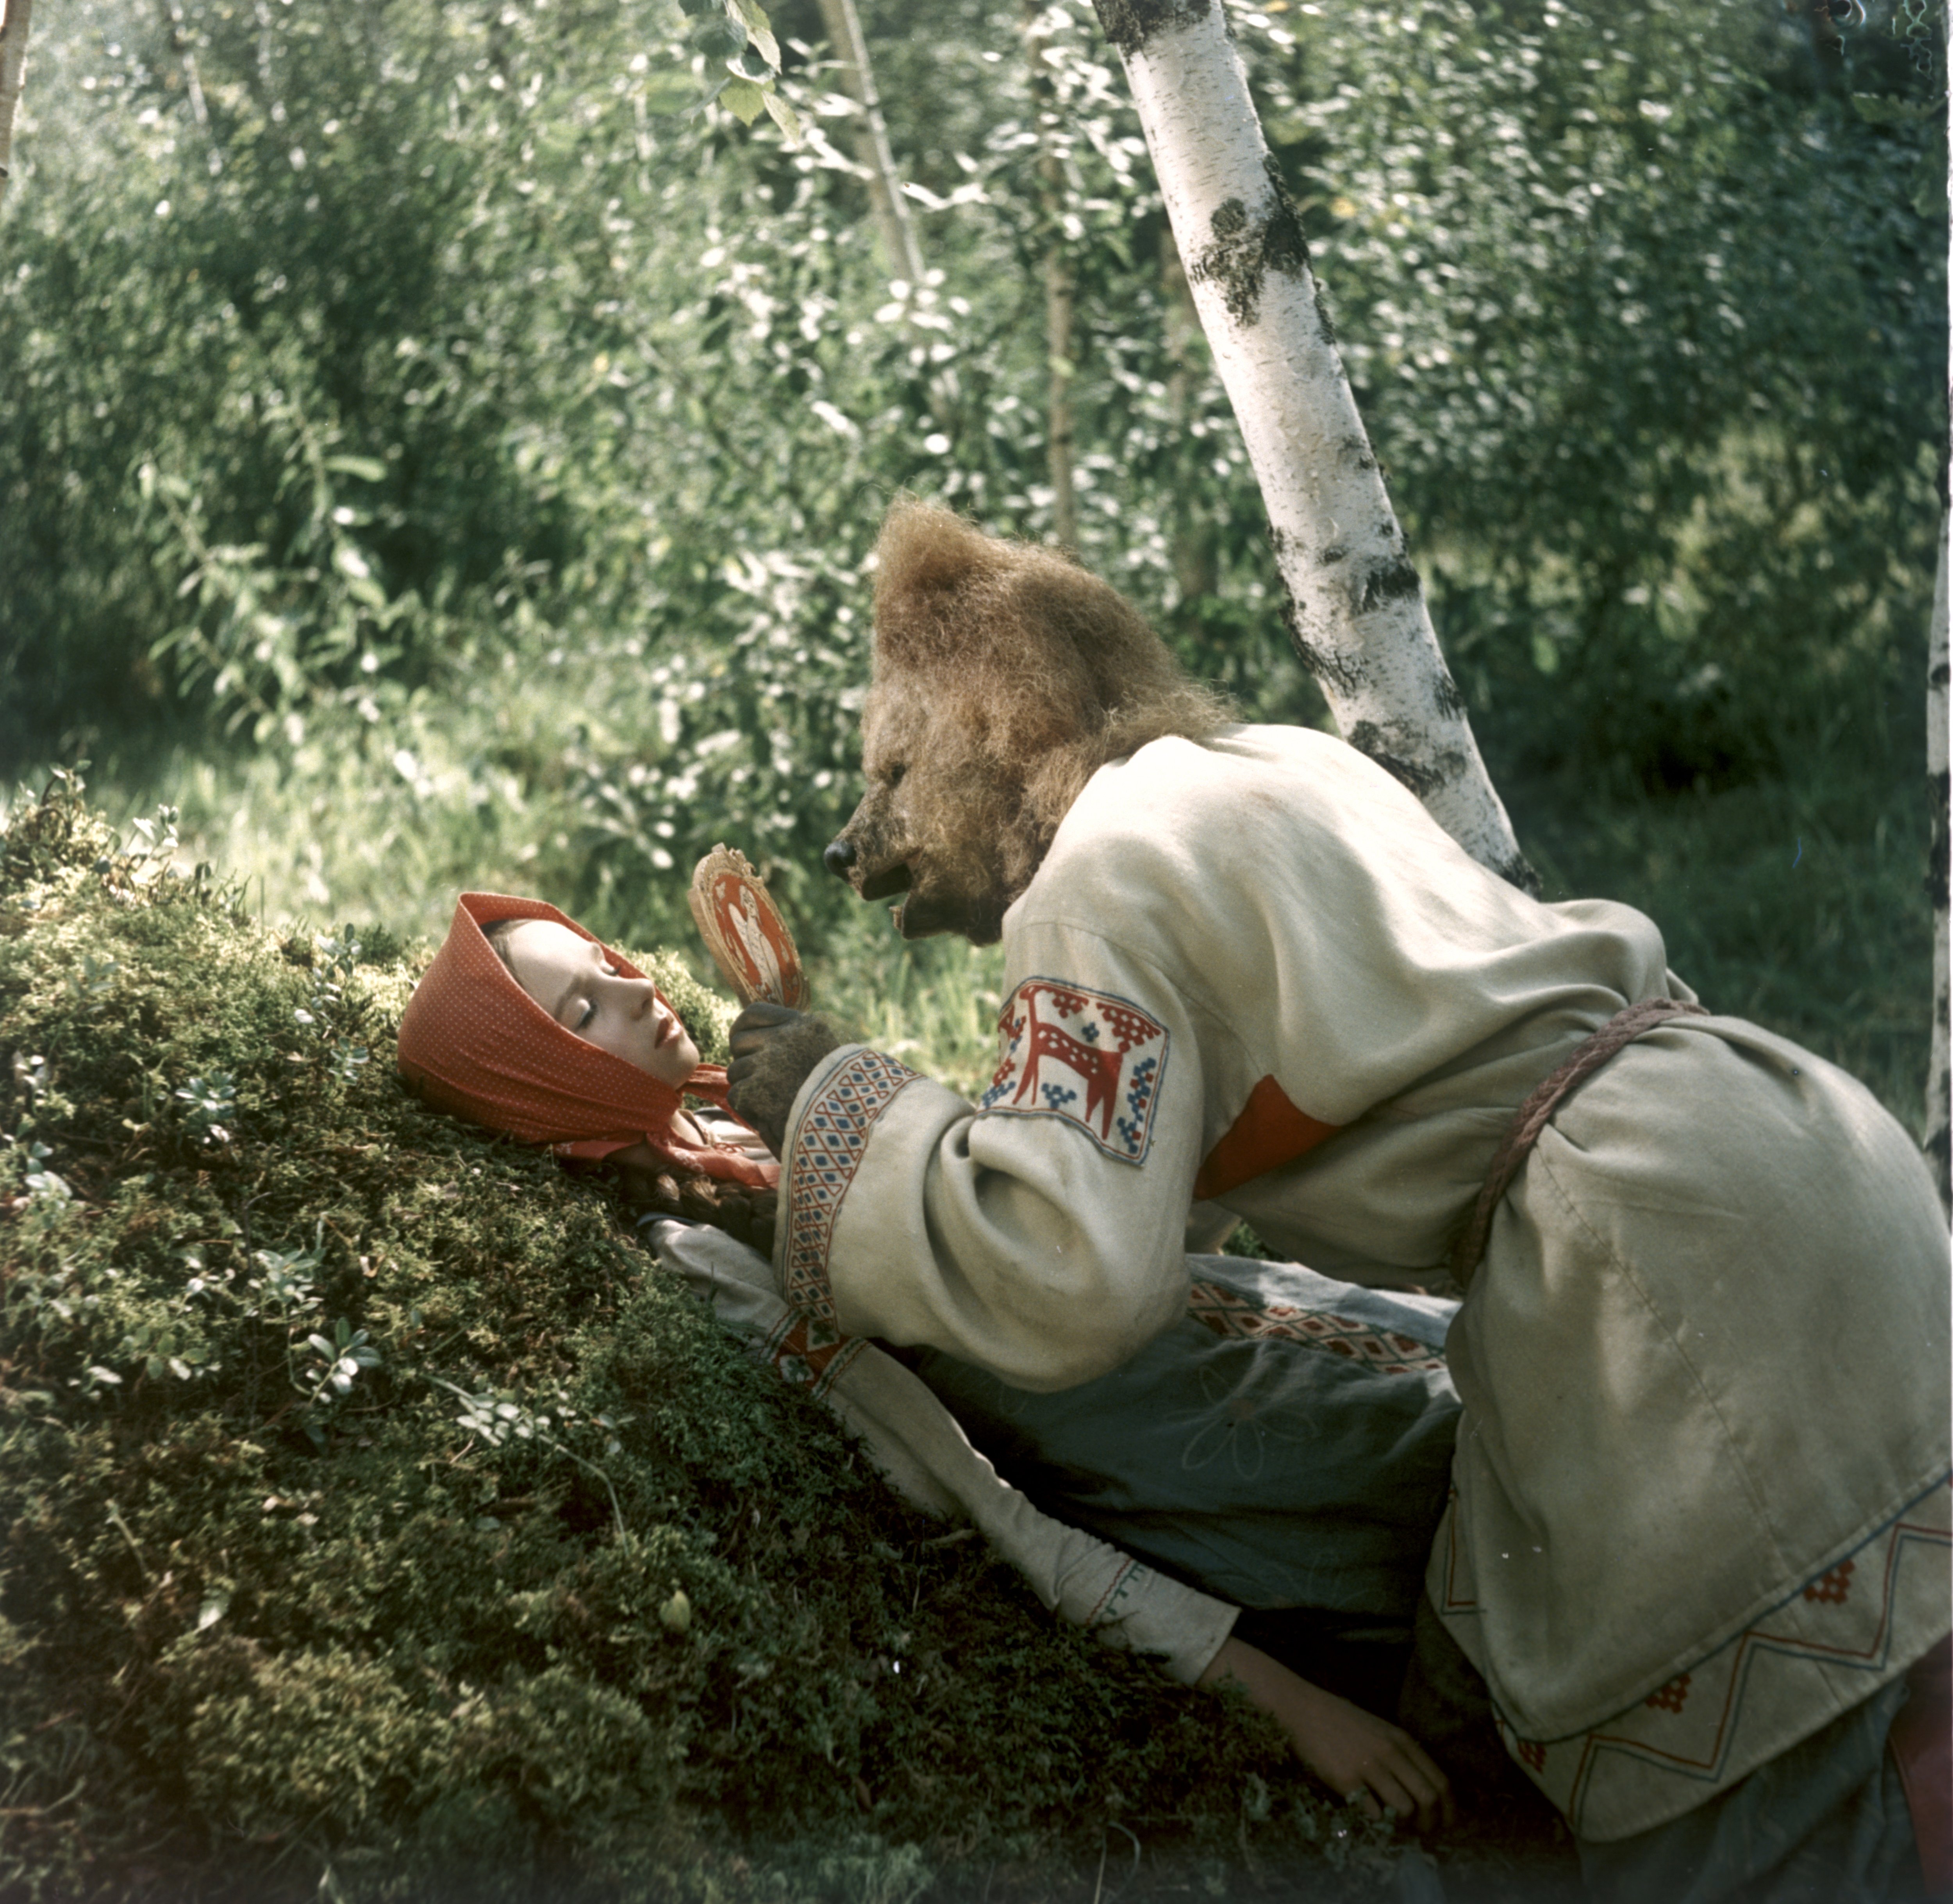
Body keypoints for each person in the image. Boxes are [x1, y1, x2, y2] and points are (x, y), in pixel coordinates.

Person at [723, 505, 1952, 1902]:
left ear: (999, 727)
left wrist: (842, 1110)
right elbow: (1187, 1158)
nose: (863, 830)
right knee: (1876, 1674)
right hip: (1796, 1146)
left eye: (893, 768)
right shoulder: (1263, 768)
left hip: (1653, 1265)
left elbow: (1074, 1272)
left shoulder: (1092, 889)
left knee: (1724, 1810)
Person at [394, 891, 1466, 1828]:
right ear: (547, 1096)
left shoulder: (728, 1112)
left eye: (607, 964)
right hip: (1221, 1468)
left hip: (1234, 1328)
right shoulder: (710, 1266)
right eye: (582, 1014)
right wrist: (1293, 1702)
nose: (631, 989)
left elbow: (1020, 1220)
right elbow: (982, 1502)